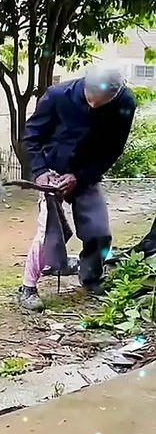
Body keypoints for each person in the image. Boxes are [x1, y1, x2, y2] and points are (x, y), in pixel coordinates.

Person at [19, 66, 135, 311]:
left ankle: (91, 277)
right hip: (52, 171)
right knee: (49, 232)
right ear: (84, 83)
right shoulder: (57, 96)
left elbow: (113, 150)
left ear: (116, 94)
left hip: (86, 174)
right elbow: (31, 137)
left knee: (99, 231)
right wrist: (40, 172)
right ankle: (28, 287)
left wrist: (80, 177)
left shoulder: (125, 103)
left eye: (100, 104)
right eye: (89, 100)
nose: (93, 106)